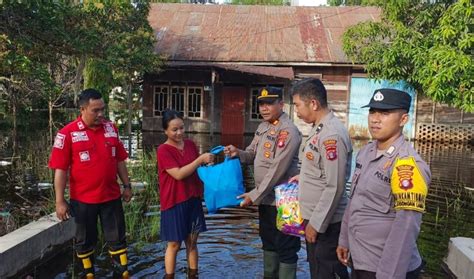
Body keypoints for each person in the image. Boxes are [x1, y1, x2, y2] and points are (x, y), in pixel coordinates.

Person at [336, 89, 430, 279]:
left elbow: (406, 227)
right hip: (360, 258)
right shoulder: (366, 153)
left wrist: (389, 275)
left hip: (384, 268)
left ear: (403, 119)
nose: (375, 119)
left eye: (385, 113)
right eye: (372, 112)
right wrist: (344, 240)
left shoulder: (407, 165)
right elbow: (354, 200)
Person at [48, 88, 132, 278]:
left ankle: (121, 273)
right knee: (85, 243)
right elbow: (60, 170)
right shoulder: (66, 134)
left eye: (103, 109)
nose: (101, 114)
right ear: (83, 109)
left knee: (118, 240)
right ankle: (87, 273)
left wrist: (127, 185)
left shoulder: (111, 128)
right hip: (83, 201)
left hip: (111, 197)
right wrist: (60, 201)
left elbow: (119, 159)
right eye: (96, 110)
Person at [224, 87, 302, 279]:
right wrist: (238, 153)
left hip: (286, 200)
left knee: (287, 247)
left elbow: (277, 169)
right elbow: (251, 154)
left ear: (281, 104)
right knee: (268, 241)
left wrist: (253, 195)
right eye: (261, 104)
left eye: (269, 103)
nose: (264, 108)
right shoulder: (263, 127)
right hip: (266, 199)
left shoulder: (288, 130)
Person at [289, 78, 351, 279]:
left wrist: (316, 224)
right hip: (316, 218)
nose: (296, 111)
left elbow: (335, 185)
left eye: (298, 105)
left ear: (313, 103)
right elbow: (321, 170)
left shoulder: (331, 135)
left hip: (327, 223)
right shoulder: (319, 128)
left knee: (327, 271)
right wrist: (303, 177)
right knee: (317, 270)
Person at [157, 109, 214, 279]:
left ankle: (193, 274)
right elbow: (178, 174)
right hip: (174, 201)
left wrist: (207, 164)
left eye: (182, 128)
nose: (179, 132)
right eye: (174, 129)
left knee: (192, 242)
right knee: (174, 244)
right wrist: (199, 161)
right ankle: (169, 276)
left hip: (193, 198)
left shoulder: (190, 145)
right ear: (165, 131)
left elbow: (197, 169)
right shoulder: (163, 150)